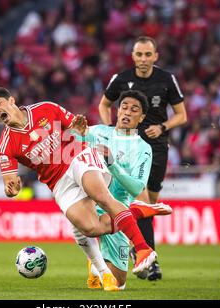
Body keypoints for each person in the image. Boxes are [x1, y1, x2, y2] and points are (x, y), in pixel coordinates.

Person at [0, 87, 167, 291]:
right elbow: (9, 184)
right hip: (58, 183)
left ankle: (143, 249)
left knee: (101, 196)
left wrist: (78, 131)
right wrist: (12, 188)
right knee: (90, 228)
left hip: (77, 157)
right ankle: (136, 212)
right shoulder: (5, 145)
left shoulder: (46, 108)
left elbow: (79, 130)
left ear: (11, 101)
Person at [98, 36, 188, 280]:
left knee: (147, 207)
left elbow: (182, 115)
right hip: (127, 146)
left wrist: (162, 127)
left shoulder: (167, 79)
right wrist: (110, 131)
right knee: (143, 201)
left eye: (148, 55)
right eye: (139, 54)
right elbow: (104, 105)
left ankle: (138, 248)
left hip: (156, 146)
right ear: (133, 56)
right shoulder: (121, 79)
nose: (144, 59)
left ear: (155, 56)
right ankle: (148, 258)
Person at [73, 90, 172, 290]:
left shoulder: (143, 148)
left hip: (118, 213)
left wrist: (112, 164)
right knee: (84, 224)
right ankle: (98, 256)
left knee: (117, 284)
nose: (127, 112)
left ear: (142, 117)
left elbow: (136, 187)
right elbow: (72, 153)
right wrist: (76, 133)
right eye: (124, 107)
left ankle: (96, 263)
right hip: (90, 205)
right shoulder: (97, 132)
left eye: (134, 109)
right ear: (117, 111)